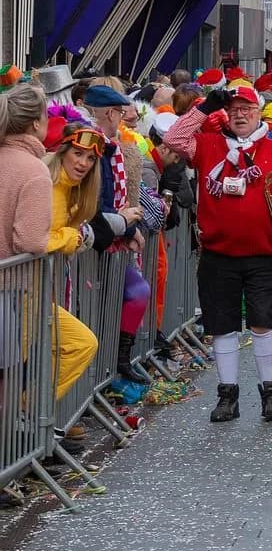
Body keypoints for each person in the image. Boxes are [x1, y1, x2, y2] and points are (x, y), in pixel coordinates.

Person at [166, 85, 272, 424]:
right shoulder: (209, 143)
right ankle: (227, 395)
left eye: (247, 108)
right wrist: (203, 109)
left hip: (264, 255)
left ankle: (269, 393)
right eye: (234, 108)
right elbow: (173, 139)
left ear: (259, 113)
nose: (241, 114)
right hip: (218, 254)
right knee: (223, 326)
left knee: (262, 322)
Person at [84, 83, 164, 384]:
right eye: (120, 112)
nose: (124, 118)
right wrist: (125, 224)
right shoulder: (95, 148)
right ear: (109, 112)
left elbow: (120, 196)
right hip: (93, 239)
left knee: (136, 292)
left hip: (112, 235)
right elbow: (99, 201)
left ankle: (118, 362)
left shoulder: (113, 147)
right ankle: (101, 373)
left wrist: (127, 228)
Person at [43, 122, 104, 399]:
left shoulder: (71, 190)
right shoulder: (48, 184)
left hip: (39, 291)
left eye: (90, 158)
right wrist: (71, 237)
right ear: (63, 150)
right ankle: (28, 417)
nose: (83, 163)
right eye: (78, 153)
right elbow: (35, 240)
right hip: (21, 291)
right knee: (80, 344)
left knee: (79, 345)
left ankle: (28, 417)